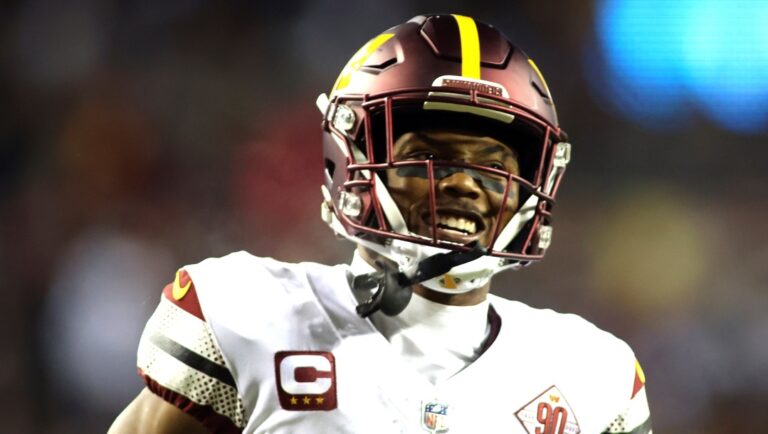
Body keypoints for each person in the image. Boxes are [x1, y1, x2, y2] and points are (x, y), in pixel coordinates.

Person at [109, 14, 652, 434]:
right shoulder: (249, 317)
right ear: (351, 163)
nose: (465, 183)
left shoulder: (591, 373)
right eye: (429, 155)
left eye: (493, 166)